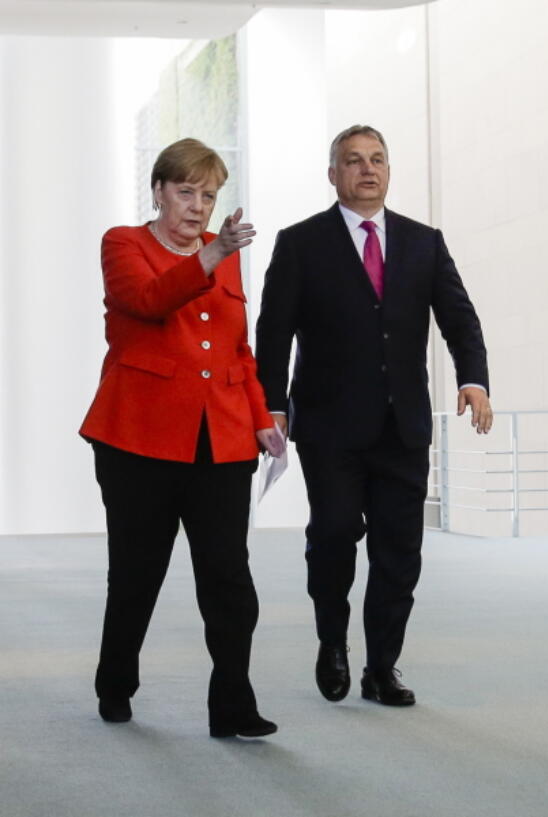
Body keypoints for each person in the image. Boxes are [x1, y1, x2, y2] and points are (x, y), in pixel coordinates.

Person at [255, 124, 491, 708]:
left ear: (389, 170)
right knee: (334, 535)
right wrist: (271, 405)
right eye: (354, 160)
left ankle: (382, 667)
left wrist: (473, 379)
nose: (368, 170)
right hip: (331, 426)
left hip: (404, 427)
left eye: (378, 160)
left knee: (398, 552)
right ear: (332, 173)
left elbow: (459, 317)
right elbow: (273, 332)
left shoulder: (423, 242)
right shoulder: (300, 243)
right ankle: (332, 642)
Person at [80, 138, 284, 738]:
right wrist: (212, 253)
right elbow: (146, 301)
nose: (198, 206)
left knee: (229, 579)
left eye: (210, 195)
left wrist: (261, 419)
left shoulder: (224, 256)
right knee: (137, 573)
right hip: (136, 439)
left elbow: (236, 352)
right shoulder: (124, 243)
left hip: (219, 442)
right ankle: (115, 683)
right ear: (159, 190)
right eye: (187, 191)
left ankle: (233, 706)